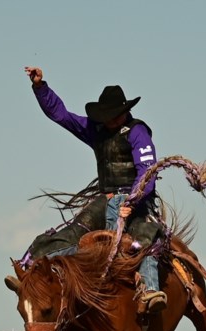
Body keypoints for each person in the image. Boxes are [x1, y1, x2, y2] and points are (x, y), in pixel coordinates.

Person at [16, 66, 166, 313]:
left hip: (136, 201)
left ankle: (150, 291)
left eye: (114, 116)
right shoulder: (96, 130)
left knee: (143, 239)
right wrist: (40, 88)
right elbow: (62, 116)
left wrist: (132, 201)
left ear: (124, 112)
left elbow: (147, 171)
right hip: (104, 200)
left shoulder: (138, 132)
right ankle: (35, 267)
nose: (110, 121)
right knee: (74, 232)